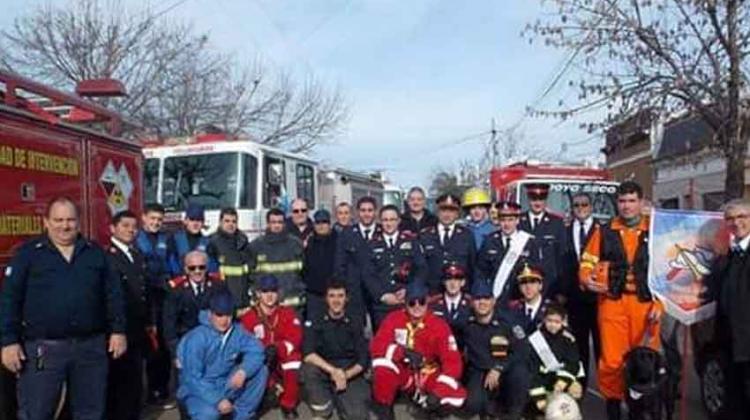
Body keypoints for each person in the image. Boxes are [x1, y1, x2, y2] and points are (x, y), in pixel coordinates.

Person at [0, 197, 126, 420]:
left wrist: (118, 330)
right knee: (36, 412)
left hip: (91, 347)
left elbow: (113, 294)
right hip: (44, 349)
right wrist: (9, 342)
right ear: (46, 222)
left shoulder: (95, 253)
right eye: (58, 220)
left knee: (90, 412)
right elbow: (10, 299)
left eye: (70, 220)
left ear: (78, 223)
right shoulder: (28, 254)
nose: (64, 226)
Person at [579, 181, 662, 420]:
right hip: (612, 303)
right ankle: (613, 407)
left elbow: (668, 272)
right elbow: (587, 262)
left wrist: (660, 304)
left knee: (646, 359)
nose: (627, 206)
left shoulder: (655, 230)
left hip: (646, 304)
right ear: (617, 203)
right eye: (623, 201)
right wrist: (587, 278)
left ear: (641, 202)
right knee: (612, 361)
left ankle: (642, 408)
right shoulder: (604, 231)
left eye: (632, 201)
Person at [369, 282, 466, 419]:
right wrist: (401, 352)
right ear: (405, 303)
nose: (417, 307)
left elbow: (453, 362)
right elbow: (376, 346)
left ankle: (431, 410)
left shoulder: (439, 325)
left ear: (427, 302)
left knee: (456, 396)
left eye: (421, 302)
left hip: (427, 372)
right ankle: (385, 410)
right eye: (412, 303)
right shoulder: (394, 319)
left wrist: (438, 393)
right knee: (382, 365)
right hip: (403, 371)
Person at [176, 290, 268, 420]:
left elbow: (257, 350)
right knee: (210, 414)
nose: (224, 320)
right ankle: (189, 411)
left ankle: (241, 416)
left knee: (261, 370)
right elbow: (192, 378)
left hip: (224, 383)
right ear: (210, 314)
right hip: (197, 390)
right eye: (219, 315)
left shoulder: (237, 331)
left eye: (228, 315)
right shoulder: (197, 338)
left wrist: (243, 371)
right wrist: (217, 400)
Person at [106, 210, 154, 420]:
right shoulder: (107, 257)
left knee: (135, 378)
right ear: (113, 228)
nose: (130, 230)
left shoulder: (137, 255)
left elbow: (144, 291)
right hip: (118, 329)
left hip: (137, 326)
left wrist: (149, 322)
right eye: (125, 226)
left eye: (134, 227)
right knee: (119, 380)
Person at [461, 280, 530, 420]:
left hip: (506, 368)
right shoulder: (465, 323)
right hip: (480, 369)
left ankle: (513, 413)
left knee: (519, 373)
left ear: (493, 301)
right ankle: (490, 406)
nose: (482, 303)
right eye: (478, 299)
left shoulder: (508, 321)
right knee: (473, 404)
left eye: (486, 298)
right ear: (472, 302)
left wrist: (499, 367)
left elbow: (522, 349)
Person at [301, 281, 371, 420]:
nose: (336, 300)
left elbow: (363, 359)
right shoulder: (316, 318)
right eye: (332, 296)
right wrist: (334, 371)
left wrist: (345, 375)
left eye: (340, 296)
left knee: (358, 416)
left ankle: (340, 396)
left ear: (346, 298)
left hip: (348, 370)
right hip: (325, 368)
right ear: (326, 299)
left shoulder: (355, 320)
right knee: (309, 369)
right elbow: (308, 353)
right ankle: (323, 410)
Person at [240, 276, 303, 419]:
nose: (269, 295)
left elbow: (295, 338)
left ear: (278, 293)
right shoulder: (249, 317)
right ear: (258, 294)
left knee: (293, 359)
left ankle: (288, 404)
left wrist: (277, 348)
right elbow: (243, 346)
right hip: (260, 362)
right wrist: (262, 352)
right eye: (265, 291)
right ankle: (269, 391)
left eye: (273, 291)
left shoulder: (287, 313)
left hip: (280, 360)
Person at [709, 199, 750, 419]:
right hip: (730, 342)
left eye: (742, 217)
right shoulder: (727, 255)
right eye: (731, 219)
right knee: (734, 402)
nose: (736, 222)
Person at [135, 203, 175, 407]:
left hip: (164, 297)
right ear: (143, 218)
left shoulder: (166, 239)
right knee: (150, 347)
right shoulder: (135, 239)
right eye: (152, 218)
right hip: (145, 299)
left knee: (164, 344)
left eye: (159, 219)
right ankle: (151, 392)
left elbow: (173, 265)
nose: (156, 223)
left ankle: (163, 390)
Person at [562, 192, 601, 389]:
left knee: (602, 346)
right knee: (579, 347)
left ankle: (607, 386)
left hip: (599, 299)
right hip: (575, 299)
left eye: (584, 204)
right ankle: (581, 386)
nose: (580, 208)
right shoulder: (566, 231)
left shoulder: (603, 230)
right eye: (576, 205)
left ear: (591, 206)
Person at [367, 204, 426, 330]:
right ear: (380, 221)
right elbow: (368, 274)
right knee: (383, 344)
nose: (389, 224)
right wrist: (382, 295)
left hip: (405, 303)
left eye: (392, 220)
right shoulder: (371, 244)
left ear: (399, 221)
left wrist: (409, 290)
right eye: (385, 220)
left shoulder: (411, 241)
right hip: (381, 306)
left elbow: (421, 269)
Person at [477, 201, 541, 305]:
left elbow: (536, 272)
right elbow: (481, 272)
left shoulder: (529, 242)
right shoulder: (489, 241)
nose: (506, 224)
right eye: (503, 220)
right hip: (495, 299)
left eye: (510, 220)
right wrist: (486, 295)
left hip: (520, 299)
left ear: (517, 220)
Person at [163, 251, 225, 356]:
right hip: (186, 345)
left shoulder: (218, 286)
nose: (197, 271)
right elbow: (169, 325)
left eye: (201, 267)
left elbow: (225, 317)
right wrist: (176, 353)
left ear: (207, 268)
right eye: (192, 268)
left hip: (213, 346)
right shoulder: (176, 290)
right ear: (186, 269)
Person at [527, 303, 584, 416]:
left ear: (563, 322)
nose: (553, 325)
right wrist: (539, 397)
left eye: (557, 322)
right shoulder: (535, 339)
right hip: (542, 382)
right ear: (544, 320)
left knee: (575, 392)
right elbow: (531, 369)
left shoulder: (568, 339)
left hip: (562, 382)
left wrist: (562, 381)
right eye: (550, 321)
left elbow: (573, 363)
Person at [248, 208, 305, 313]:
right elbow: (251, 276)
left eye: (280, 222)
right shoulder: (256, 246)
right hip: (266, 309)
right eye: (273, 222)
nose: (277, 225)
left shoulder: (296, 245)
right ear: (268, 224)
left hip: (293, 307)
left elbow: (304, 274)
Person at [334, 196, 381, 324]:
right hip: (355, 292)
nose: (367, 214)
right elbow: (340, 264)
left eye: (370, 210)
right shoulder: (347, 234)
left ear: (376, 212)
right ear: (357, 212)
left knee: (380, 330)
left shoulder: (382, 232)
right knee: (356, 331)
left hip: (378, 292)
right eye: (363, 210)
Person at [417, 194, 476, 292]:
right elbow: (419, 269)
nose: (447, 214)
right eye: (443, 210)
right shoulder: (425, 236)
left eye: (451, 210)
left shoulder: (467, 235)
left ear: (457, 213)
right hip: (432, 293)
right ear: (437, 212)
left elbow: (472, 267)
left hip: (460, 293)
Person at [519, 183, 565, 300]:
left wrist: (561, 289)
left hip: (549, 286)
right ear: (528, 199)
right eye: (534, 199)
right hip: (524, 284)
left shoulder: (557, 223)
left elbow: (561, 258)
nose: (537, 203)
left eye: (541, 199)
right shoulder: (518, 221)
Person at [208, 207, 252, 307]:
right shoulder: (213, 242)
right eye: (227, 221)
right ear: (220, 222)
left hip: (242, 295)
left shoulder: (243, 241)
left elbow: (250, 266)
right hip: (223, 294)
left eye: (234, 221)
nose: (230, 224)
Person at [303, 209, 339, 321]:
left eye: (324, 222)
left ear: (329, 224)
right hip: (314, 294)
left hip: (334, 292)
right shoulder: (309, 242)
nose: (321, 226)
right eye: (318, 223)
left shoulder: (338, 240)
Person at [428, 262, 472, 349]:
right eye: (449, 279)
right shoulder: (433, 303)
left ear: (463, 282)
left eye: (457, 279)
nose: (453, 283)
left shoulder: (471, 304)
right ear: (444, 282)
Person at [169, 203, 218, 276]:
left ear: (203, 223)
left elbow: (212, 266)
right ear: (186, 221)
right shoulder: (175, 239)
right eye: (192, 220)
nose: (195, 223)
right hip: (181, 281)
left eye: (198, 220)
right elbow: (171, 261)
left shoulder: (208, 242)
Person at [507, 264, 552, 335]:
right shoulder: (512, 308)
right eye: (523, 282)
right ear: (519, 287)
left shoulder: (552, 308)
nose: (528, 287)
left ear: (540, 285)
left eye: (533, 282)